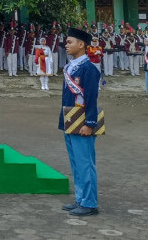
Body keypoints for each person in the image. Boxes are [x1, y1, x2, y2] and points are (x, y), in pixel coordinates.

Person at [60, 27, 101, 216]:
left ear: (81, 44)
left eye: (70, 42)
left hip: (83, 122)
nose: (66, 45)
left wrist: (90, 123)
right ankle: (80, 198)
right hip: (70, 120)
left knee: (85, 163)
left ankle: (90, 202)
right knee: (76, 163)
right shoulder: (70, 67)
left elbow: (91, 98)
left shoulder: (89, 69)